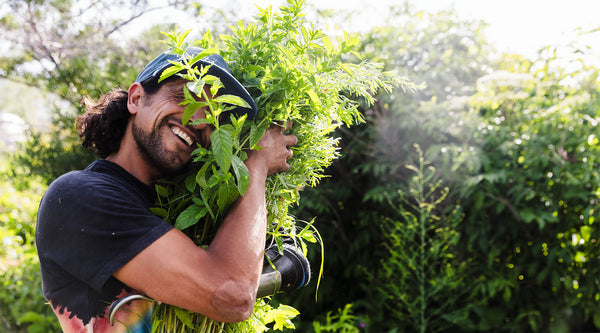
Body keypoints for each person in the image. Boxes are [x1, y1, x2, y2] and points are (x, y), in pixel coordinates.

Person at [35, 48, 298, 332]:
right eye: (184, 96)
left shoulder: (180, 211)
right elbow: (232, 296)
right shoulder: (79, 197)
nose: (199, 120)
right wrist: (256, 164)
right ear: (136, 98)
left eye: (214, 114)